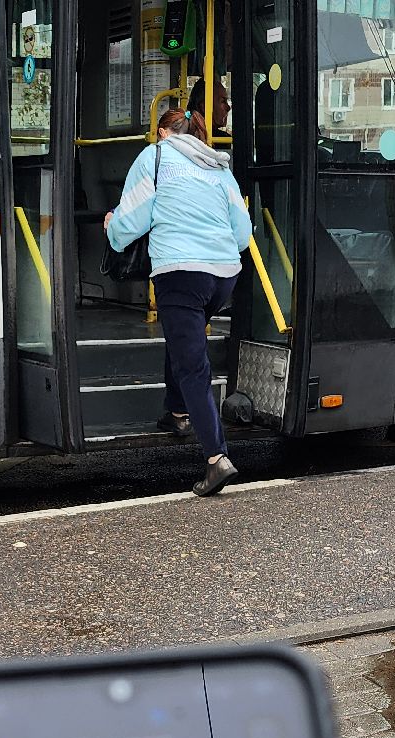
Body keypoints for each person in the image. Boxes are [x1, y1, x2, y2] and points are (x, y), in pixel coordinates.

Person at [105, 108, 253, 497]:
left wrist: (112, 231)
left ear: (161, 131)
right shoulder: (218, 165)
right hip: (224, 274)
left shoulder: (154, 157)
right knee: (183, 339)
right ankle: (177, 412)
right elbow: (243, 231)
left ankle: (216, 458)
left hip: (180, 273)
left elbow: (132, 219)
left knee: (193, 365)